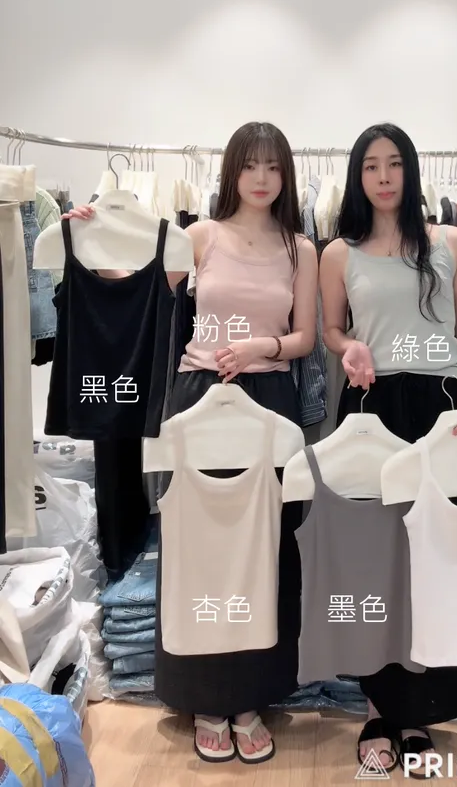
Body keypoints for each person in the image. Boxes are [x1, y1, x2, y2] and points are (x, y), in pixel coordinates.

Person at [65, 121, 318, 764]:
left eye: (273, 166)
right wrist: (87, 240)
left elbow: (305, 338)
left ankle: (252, 695)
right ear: (232, 171)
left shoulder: (300, 248)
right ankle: (205, 696)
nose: (261, 178)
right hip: (201, 399)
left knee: (266, 550)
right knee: (198, 547)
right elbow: (140, 294)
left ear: (286, 175)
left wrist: (261, 346)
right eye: (249, 165)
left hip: (269, 401)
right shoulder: (200, 236)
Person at [319, 122, 457, 776]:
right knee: (374, 563)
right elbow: (332, 329)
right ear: (357, 177)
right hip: (371, 406)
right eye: (371, 166)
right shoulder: (339, 253)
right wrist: (349, 348)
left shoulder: (452, 242)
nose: (384, 176)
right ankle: (377, 708)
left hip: (443, 407)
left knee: (436, 559)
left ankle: (418, 708)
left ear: (410, 170)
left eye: (394, 164)